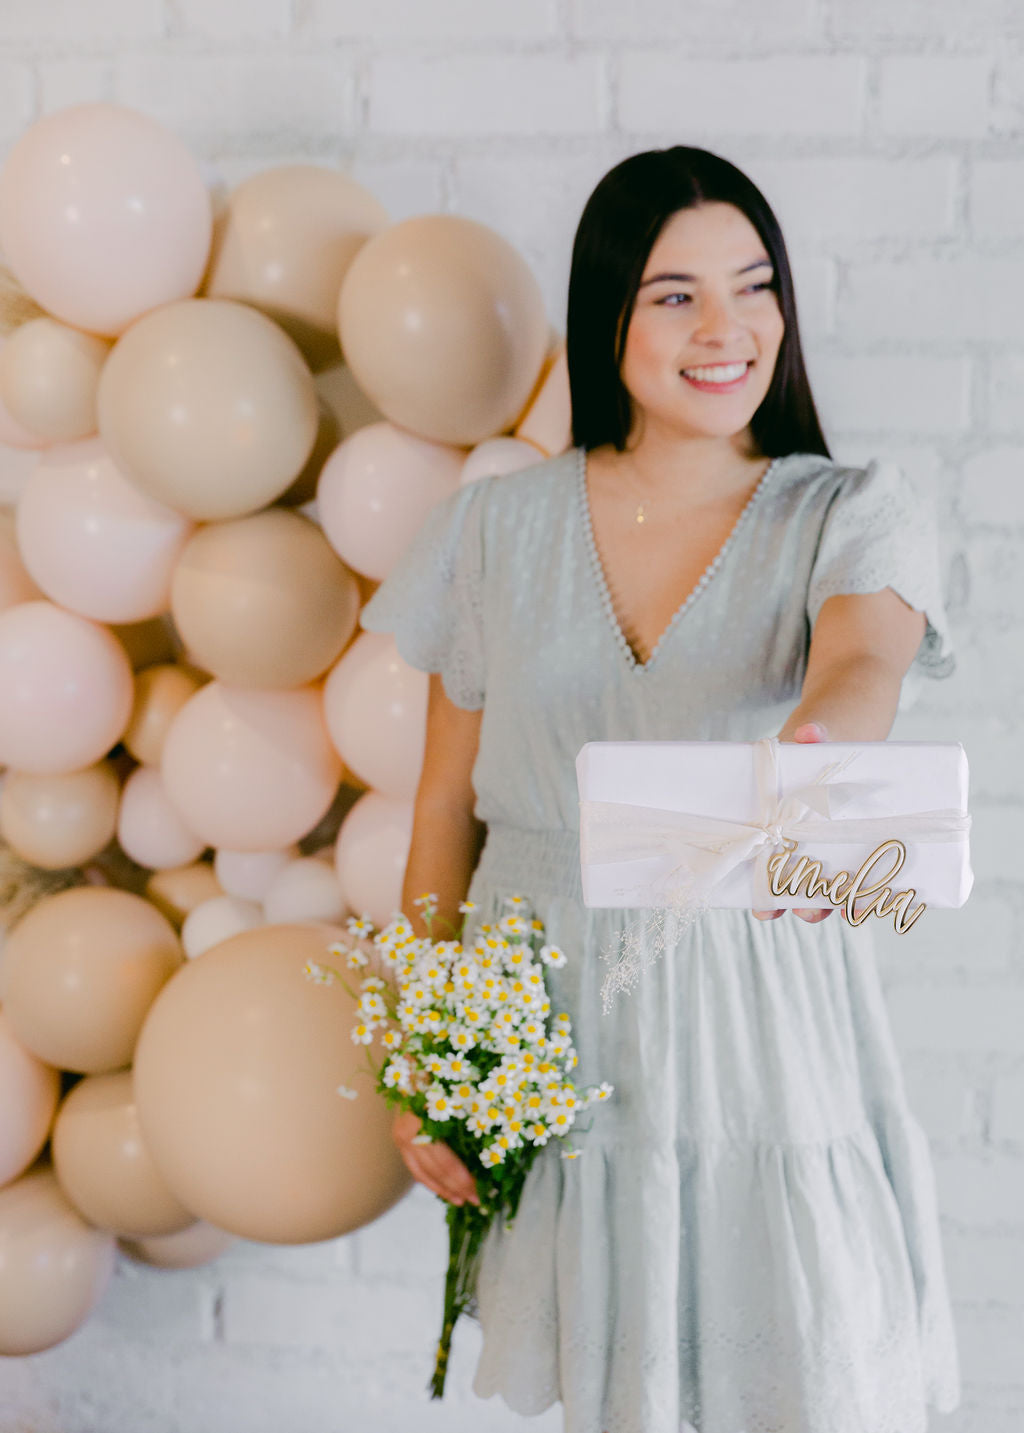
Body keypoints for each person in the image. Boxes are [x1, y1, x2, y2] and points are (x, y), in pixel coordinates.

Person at [358, 146, 961, 1433]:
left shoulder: (846, 509)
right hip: (551, 1007)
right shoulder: (494, 528)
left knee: (798, 1372)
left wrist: (810, 763)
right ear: (608, 315)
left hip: (754, 1009)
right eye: (674, 295)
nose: (725, 327)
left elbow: (860, 661)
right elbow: (442, 807)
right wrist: (427, 1054)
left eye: (753, 287)